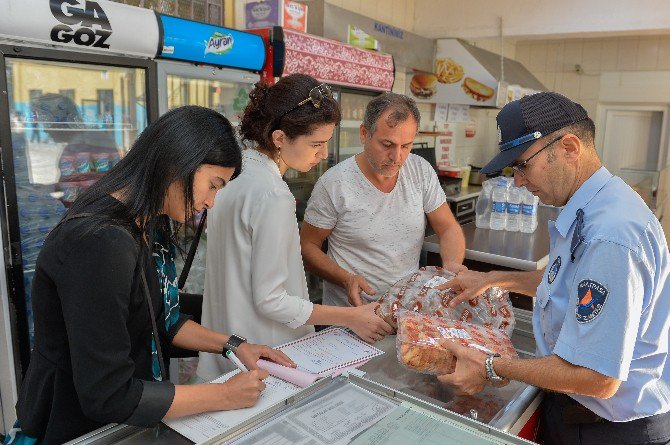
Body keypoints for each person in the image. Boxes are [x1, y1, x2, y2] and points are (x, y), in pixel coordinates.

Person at [5, 106, 294, 445]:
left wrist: (235, 346)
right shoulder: (100, 243)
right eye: (213, 185)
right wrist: (224, 395)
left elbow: (161, 319)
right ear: (177, 164)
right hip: (77, 428)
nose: (211, 202)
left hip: (127, 423)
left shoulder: (148, 221)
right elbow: (108, 394)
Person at [436, 92, 670, 445]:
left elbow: (598, 377)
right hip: (579, 412)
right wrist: (493, 279)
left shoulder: (610, 236)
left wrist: (488, 365)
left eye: (523, 165)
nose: (517, 181)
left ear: (570, 147)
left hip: (607, 429)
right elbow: (570, 282)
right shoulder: (596, 203)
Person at [197, 74, 394, 380]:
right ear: (279, 138)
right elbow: (271, 300)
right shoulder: (273, 195)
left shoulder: (234, 172)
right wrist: (352, 317)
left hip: (225, 347)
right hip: (267, 355)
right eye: (316, 143)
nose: (324, 154)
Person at [299, 92, 465, 309]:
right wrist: (345, 278)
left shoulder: (420, 171)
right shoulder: (334, 184)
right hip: (350, 316)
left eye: (406, 146)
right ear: (364, 133)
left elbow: (447, 227)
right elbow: (308, 246)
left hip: (406, 311)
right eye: (387, 144)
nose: (397, 157)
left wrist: (452, 265)